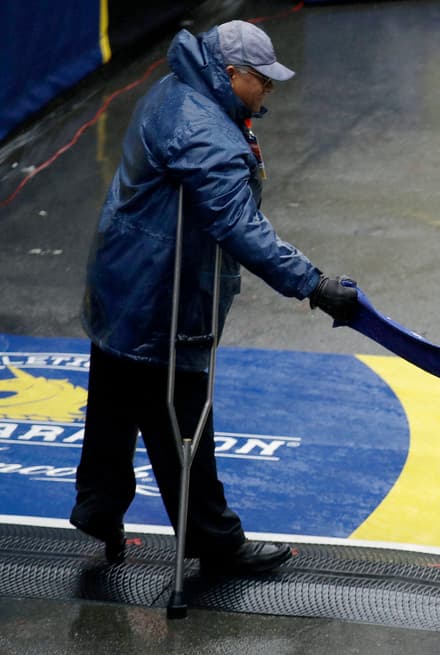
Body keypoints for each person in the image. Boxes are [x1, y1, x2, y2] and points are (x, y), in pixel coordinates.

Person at [70, 20, 358, 575]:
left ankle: (98, 507)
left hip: (119, 275)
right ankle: (214, 540)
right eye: (262, 80)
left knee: (113, 398)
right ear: (230, 73)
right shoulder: (203, 131)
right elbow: (238, 225)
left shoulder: (175, 88)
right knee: (181, 420)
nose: (269, 89)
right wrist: (313, 284)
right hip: (161, 297)